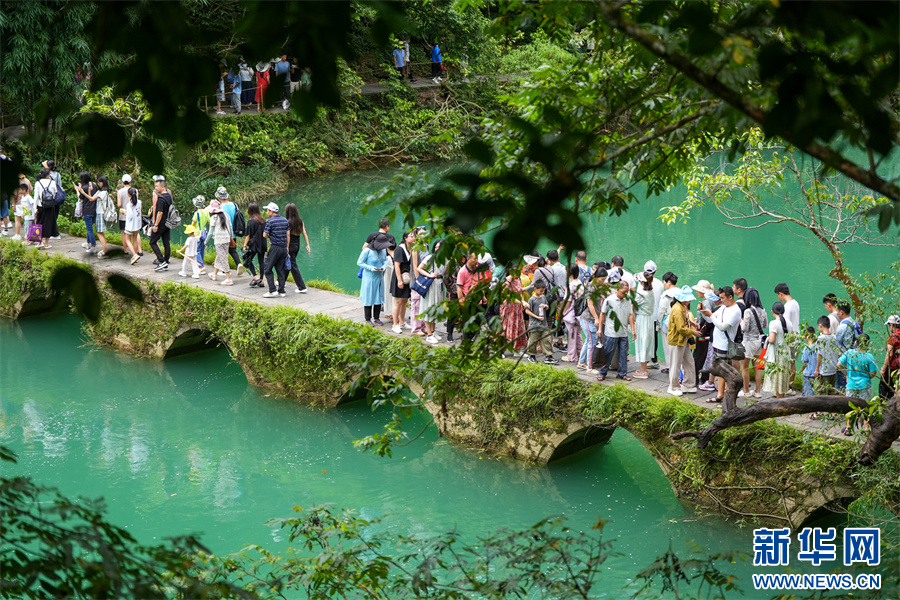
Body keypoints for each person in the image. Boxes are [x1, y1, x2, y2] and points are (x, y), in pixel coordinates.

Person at [698, 286, 741, 404]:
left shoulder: (736, 311)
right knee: (719, 372)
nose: (721, 300)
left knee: (726, 373)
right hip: (717, 344)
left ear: (730, 297)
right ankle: (720, 395)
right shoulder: (723, 307)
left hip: (725, 346)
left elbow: (722, 327)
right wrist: (704, 312)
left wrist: (710, 314)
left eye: (722, 298)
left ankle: (728, 399)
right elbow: (711, 321)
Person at [838, 334, 878, 436]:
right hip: (865, 385)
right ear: (868, 344)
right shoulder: (869, 357)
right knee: (866, 407)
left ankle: (849, 428)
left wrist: (847, 374)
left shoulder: (849, 353)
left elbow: (839, 365)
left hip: (851, 385)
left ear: (856, 342)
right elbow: (873, 373)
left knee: (850, 407)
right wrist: (866, 378)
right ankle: (866, 429)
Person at [666, 285, 701, 396]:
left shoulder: (682, 307)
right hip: (677, 340)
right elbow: (680, 328)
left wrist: (692, 323)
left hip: (683, 340)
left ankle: (689, 384)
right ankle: (673, 386)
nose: (690, 300)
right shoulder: (677, 309)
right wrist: (693, 332)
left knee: (689, 362)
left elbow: (683, 321)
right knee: (675, 364)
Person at [597, 281, 635, 382]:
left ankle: (622, 374)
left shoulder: (628, 300)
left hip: (623, 332)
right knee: (608, 353)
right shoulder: (609, 300)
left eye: (627, 291)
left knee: (623, 354)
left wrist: (633, 329)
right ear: (618, 289)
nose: (626, 293)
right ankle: (602, 372)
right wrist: (600, 329)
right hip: (611, 332)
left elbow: (631, 315)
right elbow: (602, 314)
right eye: (624, 291)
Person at [738, 288, 768, 399]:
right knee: (757, 367)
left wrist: (741, 322)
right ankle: (758, 391)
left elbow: (744, 328)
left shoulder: (748, 311)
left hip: (748, 342)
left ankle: (746, 391)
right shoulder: (763, 310)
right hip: (759, 342)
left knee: (744, 367)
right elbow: (765, 325)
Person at [417, 239, 446, 344]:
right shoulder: (429, 257)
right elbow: (419, 268)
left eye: (440, 247)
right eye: (436, 247)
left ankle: (433, 332)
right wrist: (429, 275)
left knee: (436, 308)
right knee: (428, 307)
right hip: (431, 285)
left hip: (440, 285)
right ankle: (429, 334)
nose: (437, 249)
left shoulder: (445, 259)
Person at [578, 266, 607, 374]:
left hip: (592, 318)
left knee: (588, 342)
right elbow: (590, 304)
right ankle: (590, 367)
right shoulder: (592, 287)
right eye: (602, 279)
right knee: (592, 342)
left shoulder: (600, 287)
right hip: (588, 318)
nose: (604, 282)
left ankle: (581, 362)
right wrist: (596, 318)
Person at [358, 232, 390, 325]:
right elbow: (360, 262)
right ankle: (368, 318)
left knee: (378, 297)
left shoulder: (383, 250)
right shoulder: (367, 251)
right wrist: (371, 268)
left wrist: (384, 266)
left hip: (379, 277)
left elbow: (385, 260)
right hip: (369, 277)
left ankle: (377, 318)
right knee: (369, 297)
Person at [775, 282, 800, 394]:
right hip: (797, 337)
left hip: (790, 339)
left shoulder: (787, 306)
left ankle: (786, 386)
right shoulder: (795, 303)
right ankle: (791, 386)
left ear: (780, 293)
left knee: (786, 363)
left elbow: (785, 324)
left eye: (778, 295)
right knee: (793, 363)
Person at [762, 302, 791, 399]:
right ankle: (781, 398)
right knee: (782, 379)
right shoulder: (789, 323)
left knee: (777, 378)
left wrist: (766, 339)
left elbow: (772, 339)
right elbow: (793, 339)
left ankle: (779, 402)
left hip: (777, 354)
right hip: (786, 354)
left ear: (772, 311)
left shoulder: (774, 323)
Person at [390, 230, 416, 334]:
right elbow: (396, 265)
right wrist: (399, 280)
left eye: (414, 236)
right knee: (397, 301)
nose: (413, 238)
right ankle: (395, 324)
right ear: (405, 238)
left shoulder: (412, 249)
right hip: (399, 277)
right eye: (411, 236)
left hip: (408, 278)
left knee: (404, 301)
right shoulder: (400, 249)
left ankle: (402, 322)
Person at [261, 202, 289, 298]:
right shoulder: (285, 220)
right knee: (280, 269)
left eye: (267, 210)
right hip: (284, 247)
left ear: (271, 211)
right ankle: (282, 290)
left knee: (267, 268)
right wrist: (287, 246)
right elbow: (287, 234)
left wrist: (271, 237)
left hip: (275, 247)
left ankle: (272, 290)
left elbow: (264, 235)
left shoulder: (270, 221)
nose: (267, 212)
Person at [525, 282, 557, 365]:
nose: (542, 292)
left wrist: (545, 306)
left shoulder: (543, 297)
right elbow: (527, 311)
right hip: (535, 324)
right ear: (535, 289)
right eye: (541, 291)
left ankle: (548, 356)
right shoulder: (532, 299)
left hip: (544, 323)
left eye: (543, 291)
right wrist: (537, 317)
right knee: (533, 340)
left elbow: (547, 306)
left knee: (546, 339)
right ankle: (531, 355)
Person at [632, 271, 655, 378]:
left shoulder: (641, 294)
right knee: (647, 342)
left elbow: (633, 307)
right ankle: (643, 368)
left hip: (642, 319)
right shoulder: (651, 292)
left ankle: (643, 371)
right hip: (649, 319)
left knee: (642, 342)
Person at [216, 187, 244, 276]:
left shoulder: (220, 207)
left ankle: (225, 271)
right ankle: (238, 263)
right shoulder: (234, 205)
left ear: (218, 197)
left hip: (224, 233)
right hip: (234, 232)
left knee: (223, 252)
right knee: (232, 250)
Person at [284, 202, 311, 293]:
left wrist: (287, 246)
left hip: (290, 244)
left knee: (293, 265)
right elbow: (305, 233)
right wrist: (308, 245)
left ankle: (302, 287)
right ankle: (281, 282)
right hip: (297, 244)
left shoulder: (288, 222)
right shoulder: (300, 221)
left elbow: (288, 235)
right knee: (288, 262)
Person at [206, 200, 234, 286]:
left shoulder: (213, 218)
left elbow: (210, 233)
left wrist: (205, 241)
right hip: (227, 239)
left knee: (223, 259)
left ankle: (229, 278)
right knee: (220, 256)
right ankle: (214, 274)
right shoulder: (226, 215)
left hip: (219, 241)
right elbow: (230, 228)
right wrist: (231, 237)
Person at [149, 175, 173, 271]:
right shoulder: (169, 197)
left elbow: (160, 212)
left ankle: (161, 261)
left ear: (162, 187)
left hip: (161, 224)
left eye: (157, 186)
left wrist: (156, 225)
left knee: (152, 242)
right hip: (168, 223)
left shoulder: (161, 198)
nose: (156, 188)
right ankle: (166, 261)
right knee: (166, 242)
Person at [561, 265, 585, 363]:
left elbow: (568, 301)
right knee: (578, 334)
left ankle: (572, 356)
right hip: (579, 312)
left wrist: (564, 311)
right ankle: (581, 353)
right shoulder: (580, 283)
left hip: (571, 313)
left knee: (571, 335)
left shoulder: (570, 285)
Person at [500, 269, 527, 353]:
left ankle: (517, 350)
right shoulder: (507, 282)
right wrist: (522, 302)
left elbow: (519, 293)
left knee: (518, 328)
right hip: (508, 309)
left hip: (517, 309)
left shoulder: (518, 279)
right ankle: (501, 351)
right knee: (505, 328)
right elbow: (508, 297)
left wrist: (522, 301)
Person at [644, 261, 665, 368]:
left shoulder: (642, 283)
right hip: (656, 315)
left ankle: (646, 359)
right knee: (654, 337)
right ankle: (654, 359)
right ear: (655, 271)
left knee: (645, 337)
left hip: (645, 315)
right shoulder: (660, 284)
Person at [658, 272, 680, 373]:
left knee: (667, 345)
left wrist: (658, 324)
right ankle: (678, 366)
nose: (664, 284)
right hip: (679, 320)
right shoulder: (680, 293)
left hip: (667, 321)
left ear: (669, 282)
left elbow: (661, 311)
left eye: (664, 282)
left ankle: (669, 365)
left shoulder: (665, 295)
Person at [813, 316, 840, 394]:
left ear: (820, 326)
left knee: (820, 391)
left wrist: (817, 369)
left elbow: (820, 355)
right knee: (831, 391)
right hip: (833, 368)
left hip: (824, 370)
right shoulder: (835, 338)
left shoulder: (821, 339)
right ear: (829, 326)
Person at [243, 202, 267, 287]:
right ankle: (261, 280)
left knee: (247, 259)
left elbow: (248, 235)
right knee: (261, 261)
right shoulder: (263, 220)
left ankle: (255, 277)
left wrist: (245, 245)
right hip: (263, 242)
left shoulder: (251, 221)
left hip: (254, 244)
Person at [879, 315, 900, 400]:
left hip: (893, 369)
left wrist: (883, 369)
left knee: (885, 392)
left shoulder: (892, 337)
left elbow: (889, 354)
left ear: (891, 325)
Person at [190, 195, 209, 273]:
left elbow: (193, 223)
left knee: (196, 250)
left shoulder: (196, 213)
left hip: (197, 234)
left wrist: (189, 230)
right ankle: (201, 265)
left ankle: (201, 266)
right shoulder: (206, 212)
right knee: (201, 250)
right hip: (204, 234)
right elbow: (209, 222)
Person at [123, 187, 142, 264]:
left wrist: (125, 213)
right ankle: (135, 256)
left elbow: (130, 216)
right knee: (135, 240)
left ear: (128, 194)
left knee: (127, 240)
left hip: (130, 225)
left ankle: (134, 255)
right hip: (137, 224)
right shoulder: (139, 202)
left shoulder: (129, 205)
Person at [800, 327, 818, 397]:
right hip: (815, 371)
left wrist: (801, 370)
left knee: (808, 390)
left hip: (808, 372)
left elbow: (805, 362)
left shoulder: (807, 348)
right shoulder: (817, 346)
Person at [117, 174, 133, 244]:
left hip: (123, 216)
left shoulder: (120, 191)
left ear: (123, 182)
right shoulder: (134, 190)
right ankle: (137, 249)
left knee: (124, 232)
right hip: (133, 215)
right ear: (130, 181)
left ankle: (125, 250)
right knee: (135, 233)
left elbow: (119, 204)